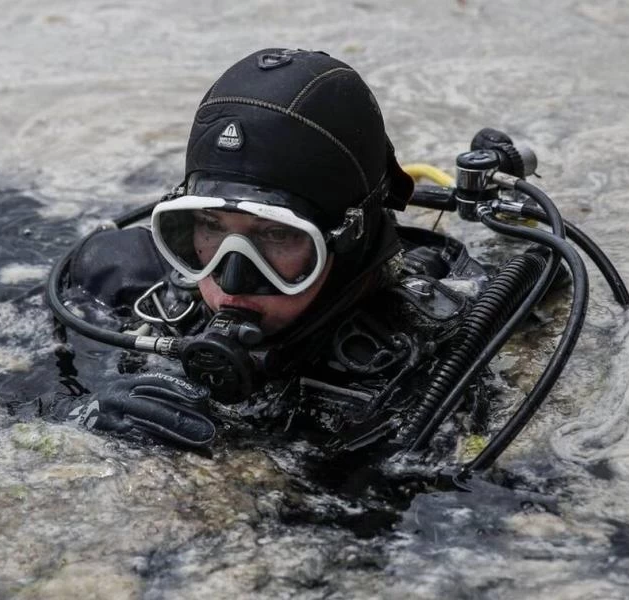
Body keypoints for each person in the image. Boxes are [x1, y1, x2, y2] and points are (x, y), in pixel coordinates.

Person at [46, 48, 497, 458]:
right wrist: (84, 420)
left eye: (277, 236)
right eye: (209, 227)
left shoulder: (434, 375)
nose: (231, 280)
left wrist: (228, 461)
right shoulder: (118, 288)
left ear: (346, 239)